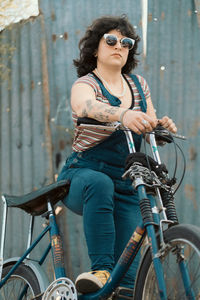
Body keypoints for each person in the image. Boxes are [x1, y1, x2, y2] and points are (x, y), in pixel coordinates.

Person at [57, 15, 177, 295]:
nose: (118, 46)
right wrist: (123, 114)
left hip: (126, 182)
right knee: (100, 184)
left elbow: (148, 121)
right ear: (95, 49)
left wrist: (160, 125)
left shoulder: (139, 85)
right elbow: (84, 106)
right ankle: (100, 268)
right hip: (83, 175)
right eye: (110, 40)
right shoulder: (86, 84)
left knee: (126, 282)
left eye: (126, 42)